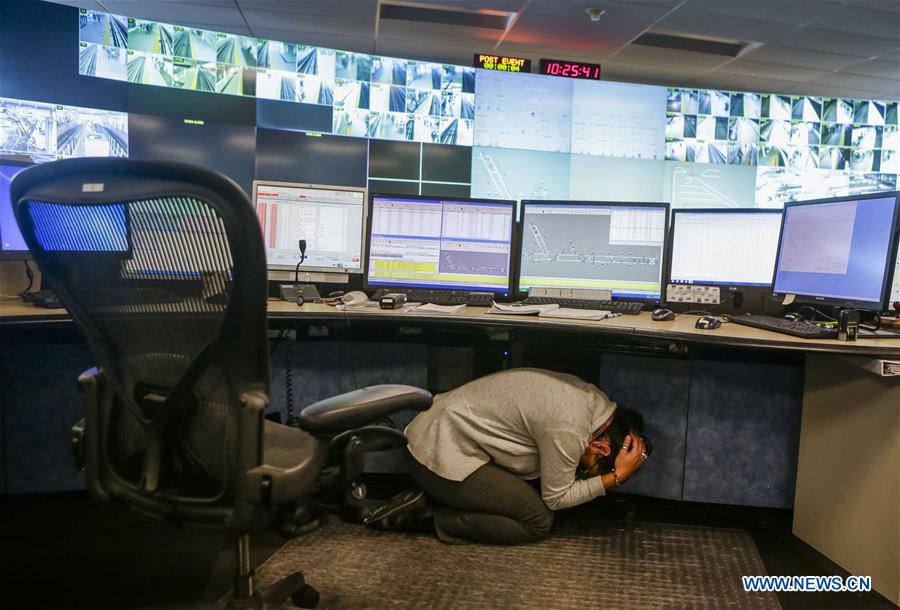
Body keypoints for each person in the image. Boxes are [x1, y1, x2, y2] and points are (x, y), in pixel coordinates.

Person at [365, 368, 648, 544]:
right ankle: (429, 516)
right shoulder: (570, 428)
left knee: (534, 492)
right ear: (602, 448)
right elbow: (557, 497)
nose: (583, 472)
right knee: (537, 520)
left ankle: (435, 497)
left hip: (450, 436)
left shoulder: (593, 401)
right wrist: (614, 478)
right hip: (435, 451)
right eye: (590, 469)